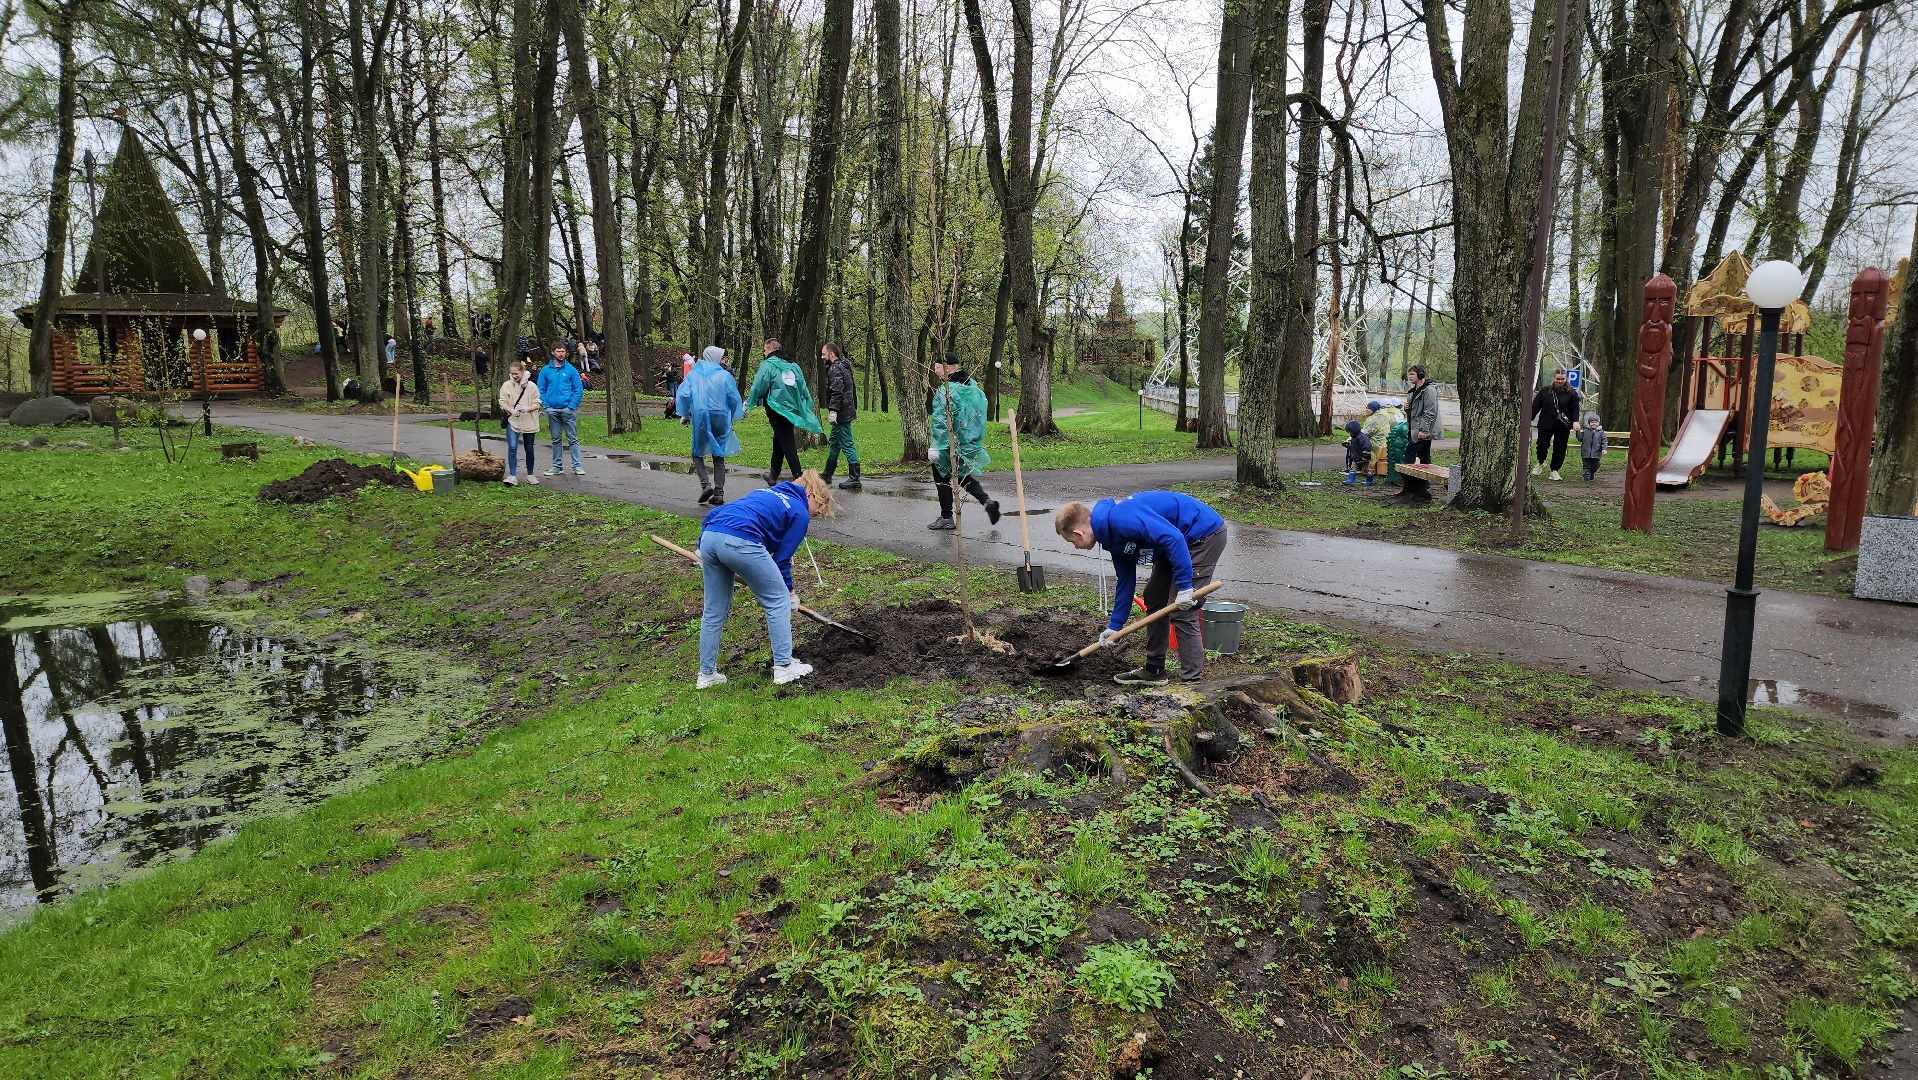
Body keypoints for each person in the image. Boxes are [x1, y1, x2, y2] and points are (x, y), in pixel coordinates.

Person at [1054, 491, 1226, 686]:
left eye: (1072, 542)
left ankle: (1192, 683)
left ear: (1079, 533)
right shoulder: (1110, 538)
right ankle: (1155, 670)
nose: (1075, 547)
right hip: (1172, 547)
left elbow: (1174, 538)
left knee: (1181, 610)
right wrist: (1115, 626)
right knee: (1154, 598)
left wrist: (1185, 587)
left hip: (1201, 536)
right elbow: (1125, 581)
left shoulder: (1123, 520)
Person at [695, 470, 834, 689]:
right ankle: (784, 666)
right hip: (742, 539)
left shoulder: (766, 493)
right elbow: (781, 559)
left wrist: (701, 547)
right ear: (810, 494)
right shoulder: (799, 511)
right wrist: (790, 593)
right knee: (777, 600)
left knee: (714, 610)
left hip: (711, 536)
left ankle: (706, 675)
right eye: (819, 507)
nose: (817, 514)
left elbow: (718, 512)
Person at [928, 353, 1000, 530]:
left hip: (948, 443)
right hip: (967, 443)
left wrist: (936, 446)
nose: (935, 370)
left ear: (949, 368)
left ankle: (946, 517)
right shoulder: (972, 386)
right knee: (961, 475)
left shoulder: (946, 391)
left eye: (937, 366)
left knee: (942, 477)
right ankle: (987, 501)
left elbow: (940, 421)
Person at [745, 337, 823, 485]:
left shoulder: (768, 365)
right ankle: (773, 474)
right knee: (780, 438)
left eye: (764, 350)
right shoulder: (793, 366)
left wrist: (749, 403)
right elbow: (802, 386)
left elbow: (758, 386)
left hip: (776, 408)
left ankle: (798, 477)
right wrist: (807, 403)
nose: (764, 353)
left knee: (786, 441)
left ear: (770, 350)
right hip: (792, 410)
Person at [677, 345, 745, 505]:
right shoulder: (724, 375)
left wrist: (685, 414)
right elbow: (734, 397)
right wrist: (733, 414)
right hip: (721, 416)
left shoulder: (694, 375)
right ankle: (719, 493)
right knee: (718, 454)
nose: (723, 359)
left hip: (701, 415)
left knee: (697, 452)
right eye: (721, 357)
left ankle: (706, 485)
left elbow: (684, 395)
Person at [537, 341, 585, 476]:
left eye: (563, 351)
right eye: (558, 351)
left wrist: (572, 406)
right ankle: (557, 466)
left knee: (572, 438)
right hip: (552, 409)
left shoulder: (571, 370)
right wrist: (545, 405)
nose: (561, 353)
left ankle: (577, 466)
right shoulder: (546, 370)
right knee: (556, 439)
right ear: (553, 352)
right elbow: (541, 388)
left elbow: (578, 389)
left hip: (567, 409)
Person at [1394, 365, 1442, 501]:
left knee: (1409, 451)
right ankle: (1423, 484)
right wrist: (1406, 408)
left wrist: (1423, 430)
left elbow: (1430, 412)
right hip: (1414, 428)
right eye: (1409, 374)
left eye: (1413, 374)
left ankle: (1410, 484)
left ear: (1420, 375)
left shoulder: (1429, 390)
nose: (1410, 377)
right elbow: (1413, 413)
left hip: (1422, 430)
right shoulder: (1413, 391)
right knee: (1424, 455)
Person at [821, 341, 862, 490]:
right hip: (845, 410)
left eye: (824, 354)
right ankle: (827, 474)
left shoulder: (835, 369)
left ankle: (855, 478)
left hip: (841, 413)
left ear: (832, 354)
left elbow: (837, 391)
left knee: (847, 443)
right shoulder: (843, 366)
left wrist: (833, 411)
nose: (822, 357)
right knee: (834, 442)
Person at [1529, 368, 1582, 481]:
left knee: (1560, 448)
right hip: (1545, 423)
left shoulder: (1572, 392)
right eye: (1558, 378)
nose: (1560, 381)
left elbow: (1575, 408)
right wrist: (1529, 419)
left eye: (1562, 379)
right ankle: (1541, 462)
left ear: (1566, 378)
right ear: (1554, 378)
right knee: (1542, 445)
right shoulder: (1545, 391)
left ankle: (1554, 470)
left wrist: (1575, 421)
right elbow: (1535, 406)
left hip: (1563, 425)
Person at [497, 360, 543, 486]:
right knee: (512, 447)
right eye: (512, 374)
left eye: (516, 373)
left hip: (529, 420)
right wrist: (511, 410)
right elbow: (502, 402)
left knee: (529, 448)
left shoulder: (532, 386)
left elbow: (537, 403)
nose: (514, 376)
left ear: (522, 371)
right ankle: (512, 475)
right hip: (513, 420)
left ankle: (530, 474)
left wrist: (527, 409)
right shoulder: (506, 385)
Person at [1360, 399, 1404, 485]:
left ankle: (1368, 472)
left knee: (1365, 449)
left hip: (1380, 441)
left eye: (1368, 408)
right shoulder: (1398, 413)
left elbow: (1370, 430)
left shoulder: (1380, 416)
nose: (1366, 409)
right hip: (1393, 438)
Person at [1578, 412, 1608, 482]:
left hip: (1596, 453)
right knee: (1586, 466)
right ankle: (1586, 478)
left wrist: (1604, 449)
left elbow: (1604, 441)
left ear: (1598, 423)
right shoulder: (1585, 431)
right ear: (1589, 423)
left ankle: (1590, 474)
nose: (1593, 423)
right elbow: (1580, 438)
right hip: (1586, 453)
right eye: (1592, 422)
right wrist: (1577, 432)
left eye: (1595, 422)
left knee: (1596, 465)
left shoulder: (1601, 432)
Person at [1341, 420, 1373, 486]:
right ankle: (1350, 480)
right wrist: (1348, 445)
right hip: (1356, 457)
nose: (1350, 434)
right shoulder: (1354, 438)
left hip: (1364, 458)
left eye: (1350, 432)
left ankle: (1369, 480)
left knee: (1365, 470)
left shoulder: (1362, 438)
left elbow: (1367, 447)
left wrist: (1366, 456)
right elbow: (1354, 447)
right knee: (1353, 468)